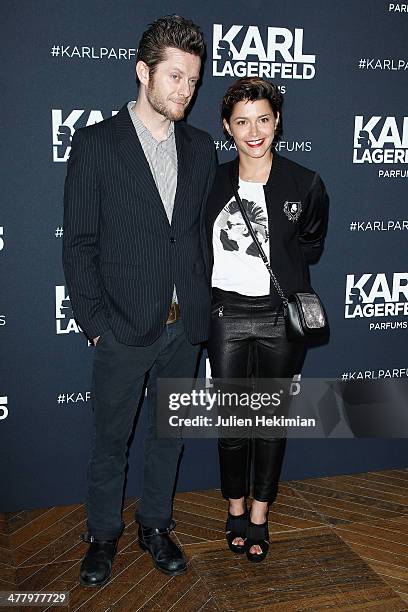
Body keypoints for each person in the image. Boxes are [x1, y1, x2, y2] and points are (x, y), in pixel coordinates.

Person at [63, 15, 217, 586]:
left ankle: (156, 525)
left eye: (193, 81)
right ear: (143, 72)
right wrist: (97, 325)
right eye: (175, 76)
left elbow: (196, 235)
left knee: (168, 436)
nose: (185, 90)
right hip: (122, 329)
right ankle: (103, 536)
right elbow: (78, 244)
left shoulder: (201, 149)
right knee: (111, 442)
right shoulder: (97, 144)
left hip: (182, 331)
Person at [205, 77, 329, 562]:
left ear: (277, 121)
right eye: (241, 121)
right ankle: (234, 508)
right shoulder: (212, 180)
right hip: (225, 314)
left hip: (280, 319)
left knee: (270, 421)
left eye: (262, 118)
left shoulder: (306, 182)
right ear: (227, 127)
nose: (253, 131)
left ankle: (260, 513)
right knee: (234, 423)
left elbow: (311, 246)